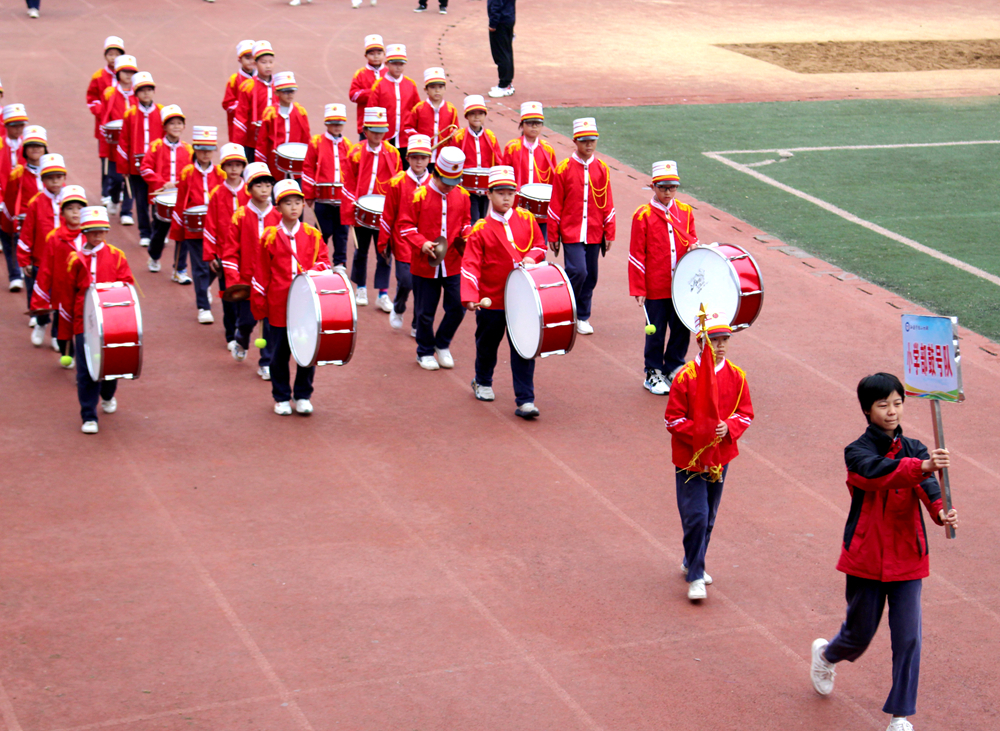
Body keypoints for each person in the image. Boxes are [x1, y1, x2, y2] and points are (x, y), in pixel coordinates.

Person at [810, 373, 959, 731]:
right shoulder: (856, 452)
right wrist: (920, 467)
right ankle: (827, 655)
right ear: (866, 409)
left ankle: (901, 715)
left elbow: (927, 487)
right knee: (859, 634)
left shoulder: (918, 448)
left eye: (897, 403)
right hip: (866, 556)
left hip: (909, 556)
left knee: (908, 637)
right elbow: (879, 475)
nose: (892, 411)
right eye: (883, 405)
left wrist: (941, 511)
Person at [664, 320, 754, 601]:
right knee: (696, 515)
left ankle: (692, 559)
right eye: (714, 341)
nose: (720, 346)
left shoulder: (737, 376)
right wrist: (701, 432)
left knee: (709, 515)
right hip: (690, 459)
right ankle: (695, 577)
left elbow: (745, 413)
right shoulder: (685, 377)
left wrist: (729, 427)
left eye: (725, 340)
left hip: (720, 458)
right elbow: (673, 419)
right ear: (701, 342)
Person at [460, 165, 546, 418]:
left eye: (510, 193)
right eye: (500, 193)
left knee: (523, 347)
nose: (506, 198)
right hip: (492, 300)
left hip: (522, 299)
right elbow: (470, 265)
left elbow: (540, 246)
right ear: (489, 195)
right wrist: (470, 297)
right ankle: (483, 380)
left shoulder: (527, 219)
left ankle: (525, 400)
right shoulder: (480, 229)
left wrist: (531, 257)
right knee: (487, 344)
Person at [252, 179, 330, 415]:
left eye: (298, 202)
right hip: (279, 305)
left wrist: (314, 270)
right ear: (278, 208)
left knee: (308, 352)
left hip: (307, 305)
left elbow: (325, 261)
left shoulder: (313, 234)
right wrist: (259, 304)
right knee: (279, 354)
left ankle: (304, 395)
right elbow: (261, 271)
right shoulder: (269, 236)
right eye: (288, 203)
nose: (294, 207)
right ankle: (281, 396)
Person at [628, 160, 698, 395]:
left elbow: (692, 243)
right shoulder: (643, 215)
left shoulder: (686, 212)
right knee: (656, 331)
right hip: (655, 286)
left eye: (672, 188)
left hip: (679, 287)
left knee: (681, 328)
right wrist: (639, 288)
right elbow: (636, 253)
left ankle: (674, 365)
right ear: (653, 186)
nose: (668, 192)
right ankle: (653, 372)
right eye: (663, 188)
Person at [400, 146, 471, 370]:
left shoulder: (462, 195)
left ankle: (442, 343)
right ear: (437, 173)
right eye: (446, 182)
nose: (451, 187)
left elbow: (466, 223)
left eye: (454, 182)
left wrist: (468, 236)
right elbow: (405, 226)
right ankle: (424, 351)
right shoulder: (418, 195)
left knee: (458, 306)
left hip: (452, 263)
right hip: (424, 264)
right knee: (425, 312)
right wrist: (422, 243)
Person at [66, 206, 134, 435]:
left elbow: (128, 284)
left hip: (112, 320)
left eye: (101, 232)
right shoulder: (74, 259)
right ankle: (88, 414)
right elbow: (68, 292)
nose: (97, 236)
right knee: (85, 371)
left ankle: (107, 394)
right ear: (84, 232)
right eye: (93, 232)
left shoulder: (116, 256)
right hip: (82, 322)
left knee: (110, 365)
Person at [548, 117, 615, 336]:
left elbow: (608, 201)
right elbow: (556, 202)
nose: (589, 145)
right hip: (572, 231)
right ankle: (570, 307)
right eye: (584, 141)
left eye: (592, 141)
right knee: (578, 270)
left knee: (591, 275)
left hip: (594, 231)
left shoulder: (602, 169)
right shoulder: (564, 168)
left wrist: (609, 231)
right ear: (575, 141)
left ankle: (582, 316)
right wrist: (553, 233)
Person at [340, 106, 401, 310]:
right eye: (373, 130)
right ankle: (361, 288)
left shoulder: (392, 152)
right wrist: (350, 212)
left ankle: (383, 293)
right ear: (365, 131)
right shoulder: (356, 152)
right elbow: (348, 182)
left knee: (384, 251)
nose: (378, 134)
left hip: (384, 212)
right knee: (361, 250)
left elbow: (398, 182)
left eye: (381, 130)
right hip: (361, 212)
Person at [222, 161, 280, 374]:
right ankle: (241, 339)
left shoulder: (279, 216)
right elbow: (230, 252)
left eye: (268, 185)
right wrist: (234, 279)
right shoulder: (240, 216)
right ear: (248, 188)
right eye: (258, 185)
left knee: (270, 324)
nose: (264, 190)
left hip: (272, 282)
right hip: (247, 283)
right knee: (246, 321)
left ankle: (266, 362)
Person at [377, 134, 431, 333]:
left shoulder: (434, 183)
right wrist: (383, 242)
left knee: (422, 287)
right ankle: (399, 306)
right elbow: (388, 214)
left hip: (426, 244)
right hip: (402, 242)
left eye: (423, 157)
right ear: (407, 158)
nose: (419, 161)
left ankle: (417, 323)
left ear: (429, 159)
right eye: (415, 157)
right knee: (406, 281)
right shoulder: (397, 182)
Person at [169, 126, 224, 320]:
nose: (205, 153)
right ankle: (203, 307)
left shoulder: (221, 174)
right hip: (194, 228)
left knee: (217, 267)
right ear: (195, 150)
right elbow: (181, 201)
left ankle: (204, 287)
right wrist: (178, 228)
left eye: (209, 149)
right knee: (199, 266)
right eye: (201, 149)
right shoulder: (186, 173)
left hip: (217, 230)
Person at [30, 185, 87, 366]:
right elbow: (45, 268)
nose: (75, 213)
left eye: (79, 208)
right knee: (63, 323)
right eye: (70, 209)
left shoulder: (91, 235)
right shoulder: (55, 237)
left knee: (84, 326)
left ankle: (84, 358)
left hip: (85, 291)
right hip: (62, 290)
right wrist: (39, 299)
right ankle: (65, 350)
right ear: (62, 212)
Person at [18, 152, 66, 348]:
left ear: (64, 178)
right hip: (39, 261)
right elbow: (27, 232)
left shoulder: (71, 202)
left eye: (59, 177)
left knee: (61, 299)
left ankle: (57, 334)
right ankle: (41, 324)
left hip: (64, 261)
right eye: (50, 177)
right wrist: (25, 260)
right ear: (43, 180)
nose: (55, 181)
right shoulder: (36, 203)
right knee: (40, 296)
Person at [203, 144, 248, 350]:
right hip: (224, 255)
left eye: (238, 164)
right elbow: (210, 225)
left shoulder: (250, 192)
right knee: (227, 294)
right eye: (229, 164)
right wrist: (211, 254)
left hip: (247, 254)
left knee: (246, 295)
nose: (233, 169)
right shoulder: (217, 194)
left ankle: (242, 328)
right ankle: (231, 335)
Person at [140, 105, 191, 277]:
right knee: (160, 231)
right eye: (172, 123)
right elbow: (145, 168)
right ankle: (154, 256)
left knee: (183, 233)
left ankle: (179, 268)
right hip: (161, 197)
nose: (176, 127)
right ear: (164, 127)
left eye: (179, 123)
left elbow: (191, 172)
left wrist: (181, 184)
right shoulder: (155, 146)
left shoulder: (188, 149)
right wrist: (162, 183)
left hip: (181, 198)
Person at [301, 103, 352, 271]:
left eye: (339, 122)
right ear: (327, 123)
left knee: (342, 234)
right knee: (322, 232)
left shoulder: (348, 145)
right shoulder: (316, 142)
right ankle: (318, 260)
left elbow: (352, 174)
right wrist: (308, 193)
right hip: (323, 198)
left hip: (342, 201)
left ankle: (340, 263)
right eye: (333, 122)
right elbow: (308, 167)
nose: (336, 126)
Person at [115, 71, 161, 247]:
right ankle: (145, 232)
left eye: (149, 89)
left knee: (157, 199)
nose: (146, 93)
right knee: (141, 200)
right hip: (137, 166)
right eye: (142, 90)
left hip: (157, 166)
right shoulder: (130, 114)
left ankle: (158, 231)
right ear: (136, 93)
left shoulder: (162, 111)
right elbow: (124, 141)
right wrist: (124, 167)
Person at [3, 125, 47, 303]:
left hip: (48, 229)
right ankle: (35, 309)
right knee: (31, 268)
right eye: (31, 145)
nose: (35, 149)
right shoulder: (17, 174)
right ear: (24, 150)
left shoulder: (54, 173)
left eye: (39, 145)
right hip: (25, 228)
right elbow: (10, 201)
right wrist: (7, 226)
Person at [503, 101, 555, 237]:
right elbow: (504, 175)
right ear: (522, 124)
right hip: (517, 206)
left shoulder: (547, 149)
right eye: (530, 123)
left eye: (537, 123)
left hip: (541, 209)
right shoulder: (512, 147)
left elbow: (552, 179)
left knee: (540, 245)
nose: (534, 127)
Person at [99, 54, 140, 225]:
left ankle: (127, 211)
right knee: (115, 178)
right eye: (125, 72)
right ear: (118, 73)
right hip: (115, 144)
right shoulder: (110, 93)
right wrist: (106, 131)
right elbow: (104, 115)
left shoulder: (138, 94)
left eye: (131, 72)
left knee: (130, 177)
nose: (128, 75)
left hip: (133, 144)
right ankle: (115, 198)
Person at [86, 37, 125, 206]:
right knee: (106, 160)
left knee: (123, 160)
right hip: (105, 128)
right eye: (110, 54)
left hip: (124, 128)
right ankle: (105, 192)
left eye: (117, 54)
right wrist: (102, 112)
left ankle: (120, 190)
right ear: (105, 55)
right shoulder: (99, 76)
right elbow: (92, 98)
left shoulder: (128, 76)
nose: (113, 57)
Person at [452, 95, 502, 222]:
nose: (476, 117)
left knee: (483, 217)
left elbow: (498, 161)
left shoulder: (491, 137)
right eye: (472, 113)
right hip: (467, 188)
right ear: (467, 116)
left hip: (485, 188)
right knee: (473, 219)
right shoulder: (459, 137)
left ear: (485, 116)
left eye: (480, 113)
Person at [368, 45, 419, 161]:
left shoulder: (410, 85)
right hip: (384, 137)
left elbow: (417, 111)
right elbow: (372, 111)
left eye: (401, 64)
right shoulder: (379, 86)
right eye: (394, 64)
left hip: (405, 138)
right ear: (387, 64)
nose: (398, 67)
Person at [256, 72, 310, 180]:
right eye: (285, 92)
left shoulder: (300, 112)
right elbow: (262, 141)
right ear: (277, 92)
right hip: (275, 164)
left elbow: (306, 137)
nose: (290, 95)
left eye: (292, 91)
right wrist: (260, 166)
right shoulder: (270, 114)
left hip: (296, 166)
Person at [1, 103, 29, 291]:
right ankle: (14, 275)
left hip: (24, 199)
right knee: (7, 235)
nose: (18, 129)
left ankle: (22, 270)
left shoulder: (30, 145)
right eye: (13, 125)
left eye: (20, 125)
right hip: (3, 198)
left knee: (23, 237)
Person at [406, 68, 459, 168]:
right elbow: (408, 128)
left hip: (442, 157)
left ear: (445, 89)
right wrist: (420, 139)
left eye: (440, 87)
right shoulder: (418, 108)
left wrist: (454, 133)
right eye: (433, 87)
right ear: (426, 90)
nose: (437, 90)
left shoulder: (451, 109)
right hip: (422, 156)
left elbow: (455, 128)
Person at [233, 40, 276, 163]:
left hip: (273, 142)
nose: (268, 66)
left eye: (271, 62)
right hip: (253, 142)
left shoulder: (279, 86)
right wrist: (237, 148)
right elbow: (241, 118)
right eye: (263, 62)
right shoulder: (248, 86)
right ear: (255, 63)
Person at [348, 35, 387, 142]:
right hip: (365, 122)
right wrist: (374, 93)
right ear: (365, 55)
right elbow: (353, 95)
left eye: (379, 53)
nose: (376, 57)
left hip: (387, 123)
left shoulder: (389, 73)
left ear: (384, 54)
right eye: (372, 54)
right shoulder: (360, 74)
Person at [222, 40, 255, 143]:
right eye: (247, 58)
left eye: (253, 58)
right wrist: (244, 107)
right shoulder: (234, 80)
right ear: (240, 60)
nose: (251, 61)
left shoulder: (261, 79)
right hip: (239, 127)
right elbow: (227, 104)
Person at [487, 0, 516, 98]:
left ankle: (504, 85)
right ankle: (507, 83)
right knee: (506, 52)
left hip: (500, 21)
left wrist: (493, 23)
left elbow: (496, 4)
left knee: (501, 54)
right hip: (508, 18)